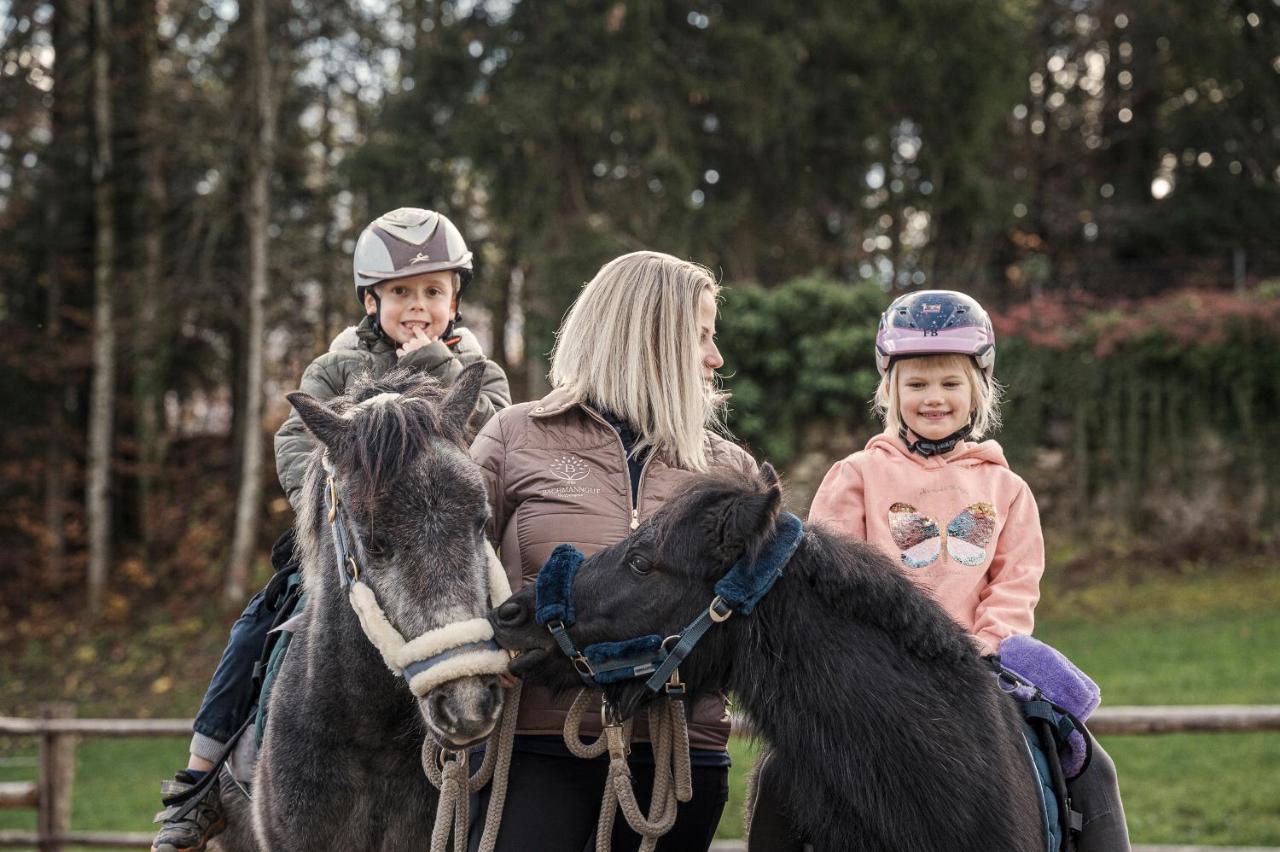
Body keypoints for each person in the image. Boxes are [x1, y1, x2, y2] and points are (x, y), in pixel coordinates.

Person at [151, 207, 512, 852]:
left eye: (433, 291)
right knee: (258, 628)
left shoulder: (476, 373)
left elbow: (491, 434)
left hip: (445, 542)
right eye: (401, 293)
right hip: (346, 539)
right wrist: (323, 504)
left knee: (510, 621)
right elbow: (295, 441)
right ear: (372, 300)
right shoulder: (336, 367)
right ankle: (200, 781)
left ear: (455, 298)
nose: (417, 306)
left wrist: (435, 363)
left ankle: (526, 771)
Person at [799, 289, 1129, 852]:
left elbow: (1015, 580)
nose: (934, 398)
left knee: (1087, 761)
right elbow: (829, 578)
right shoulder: (853, 476)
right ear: (890, 391)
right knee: (786, 777)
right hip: (878, 672)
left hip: (980, 669)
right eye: (917, 384)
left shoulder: (1007, 489)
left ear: (978, 389)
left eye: (951, 384)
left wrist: (988, 642)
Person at [468, 251, 757, 852]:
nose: (716, 358)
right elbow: (451, 577)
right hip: (537, 749)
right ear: (647, 339)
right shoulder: (514, 436)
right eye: (701, 337)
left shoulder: (730, 469)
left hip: (681, 759)